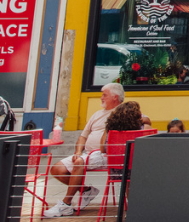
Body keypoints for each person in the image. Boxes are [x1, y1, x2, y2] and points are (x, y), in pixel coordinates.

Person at [43, 83, 150, 217]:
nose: (101, 98)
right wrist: (77, 152)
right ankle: (86, 190)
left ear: (115, 97)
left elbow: (146, 120)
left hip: (107, 154)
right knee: (57, 169)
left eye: (104, 95)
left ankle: (66, 204)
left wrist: (142, 119)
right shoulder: (97, 114)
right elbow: (83, 136)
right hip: (88, 154)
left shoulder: (124, 113)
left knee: (79, 162)